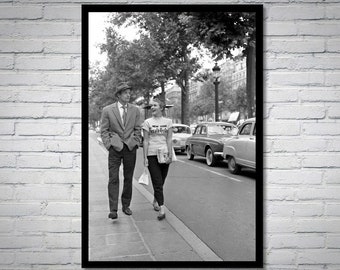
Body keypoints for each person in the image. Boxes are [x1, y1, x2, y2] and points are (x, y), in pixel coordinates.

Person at [100, 82, 142, 220]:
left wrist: (135, 142)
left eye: (129, 92)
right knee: (113, 178)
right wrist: (109, 145)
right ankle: (113, 209)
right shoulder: (107, 110)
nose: (128, 95)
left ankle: (126, 206)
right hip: (115, 148)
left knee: (128, 178)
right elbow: (104, 130)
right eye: (125, 93)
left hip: (130, 148)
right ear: (118, 95)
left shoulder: (135, 110)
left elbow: (138, 129)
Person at [142, 98, 173, 220]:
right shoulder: (147, 122)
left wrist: (170, 154)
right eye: (151, 106)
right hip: (152, 154)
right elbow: (145, 140)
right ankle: (162, 209)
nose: (152, 108)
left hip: (164, 154)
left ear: (161, 107)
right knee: (157, 182)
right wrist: (145, 157)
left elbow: (169, 138)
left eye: (155, 105)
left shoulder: (168, 122)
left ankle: (156, 199)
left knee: (162, 181)